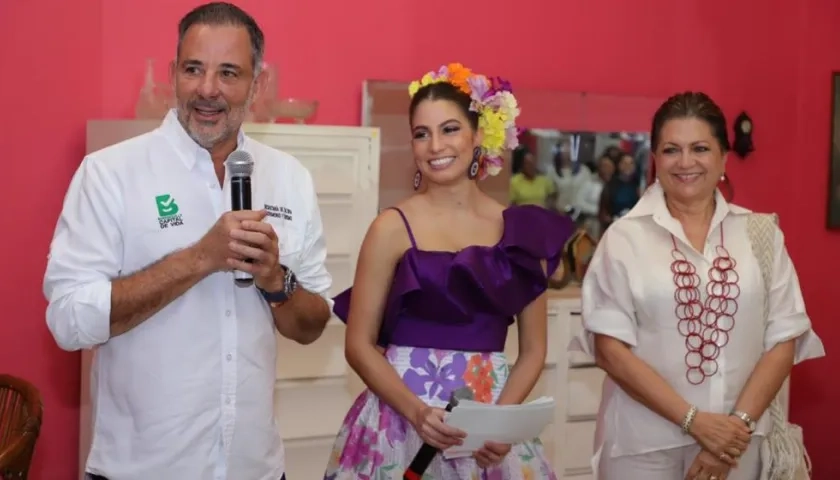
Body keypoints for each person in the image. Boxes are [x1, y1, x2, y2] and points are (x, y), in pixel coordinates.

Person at [42, 3, 333, 479]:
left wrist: (276, 280)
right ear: (173, 73)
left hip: (255, 469)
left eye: (229, 73)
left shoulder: (289, 177)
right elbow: (68, 321)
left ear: (256, 85)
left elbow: (313, 325)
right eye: (193, 69)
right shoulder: (111, 173)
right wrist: (200, 258)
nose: (207, 90)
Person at [323, 63, 573, 479]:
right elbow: (359, 345)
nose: (435, 145)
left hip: (489, 427)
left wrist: (500, 424)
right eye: (422, 134)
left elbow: (533, 351)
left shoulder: (521, 232)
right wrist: (416, 412)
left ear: (478, 136)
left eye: (450, 129)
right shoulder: (390, 228)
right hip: (400, 419)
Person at [571, 92, 825, 480]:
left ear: (723, 157)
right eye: (671, 149)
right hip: (643, 448)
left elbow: (783, 340)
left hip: (740, 448)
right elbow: (610, 350)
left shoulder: (759, 234)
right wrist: (697, 423)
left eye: (700, 148)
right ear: (655, 158)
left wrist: (733, 431)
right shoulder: (624, 238)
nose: (686, 162)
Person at [597, 152, 641, 231]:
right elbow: (603, 212)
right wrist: (612, 220)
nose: (628, 166)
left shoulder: (637, 186)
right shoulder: (610, 185)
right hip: (612, 227)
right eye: (625, 163)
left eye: (631, 163)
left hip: (632, 227)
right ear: (619, 165)